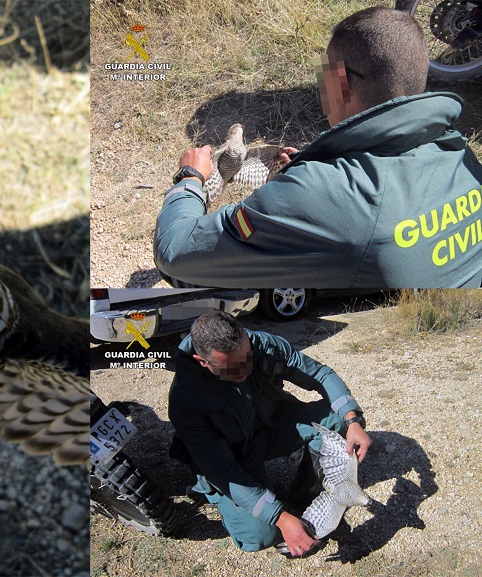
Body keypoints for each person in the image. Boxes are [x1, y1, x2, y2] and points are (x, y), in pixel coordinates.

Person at [154, 7, 482, 288]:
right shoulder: (460, 156)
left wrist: (191, 178)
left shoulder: (322, 195)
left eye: (322, 73)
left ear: (338, 83)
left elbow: (176, 252)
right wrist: (311, 167)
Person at [168, 311, 372, 556]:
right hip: (234, 460)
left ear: (244, 335)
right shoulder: (185, 399)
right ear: (203, 361)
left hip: (270, 429)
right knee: (260, 535)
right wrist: (280, 517)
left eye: (246, 359)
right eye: (231, 369)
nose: (243, 371)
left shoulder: (264, 346)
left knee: (336, 418)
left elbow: (320, 374)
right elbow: (222, 469)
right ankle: (215, 496)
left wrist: (352, 419)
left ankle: (304, 493)